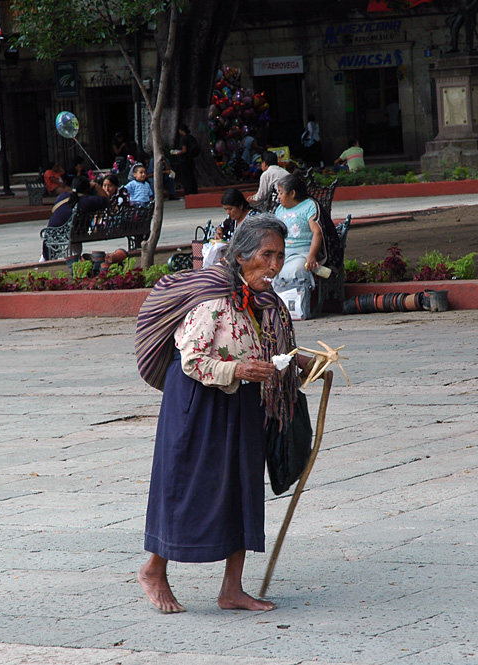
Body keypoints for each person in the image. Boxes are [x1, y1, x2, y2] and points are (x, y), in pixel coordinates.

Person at [134, 214, 312, 614]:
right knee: (189, 489)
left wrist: (297, 360)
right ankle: (154, 570)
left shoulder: (263, 301)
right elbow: (191, 360)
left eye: (280, 257)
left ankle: (232, 589)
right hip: (199, 406)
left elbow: (260, 344)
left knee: (243, 490)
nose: (274, 266)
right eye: (266, 255)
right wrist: (239, 369)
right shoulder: (214, 298)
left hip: (242, 403)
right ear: (243, 255)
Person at [272, 173, 323, 307]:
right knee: (271, 270)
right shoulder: (279, 209)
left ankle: (296, 308)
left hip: (303, 252)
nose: (278, 197)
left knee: (296, 269)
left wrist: (312, 256)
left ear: (292, 193)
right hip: (283, 253)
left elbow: (317, 232)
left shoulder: (309, 206)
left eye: (281, 193)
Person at [203, 188, 257, 267]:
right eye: (226, 209)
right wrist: (219, 231)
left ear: (241, 206)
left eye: (230, 209)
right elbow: (221, 227)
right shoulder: (231, 218)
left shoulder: (254, 218)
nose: (228, 212)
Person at [67, 177, 113, 257]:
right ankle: (76, 257)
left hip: (58, 231)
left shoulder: (64, 197)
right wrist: (96, 186)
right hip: (78, 232)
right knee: (76, 235)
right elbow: (106, 200)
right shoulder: (89, 200)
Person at [172, 124, 199, 196]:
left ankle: (188, 192)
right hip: (191, 159)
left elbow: (184, 150)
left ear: (181, 130)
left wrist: (178, 153)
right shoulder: (191, 137)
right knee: (192, 175)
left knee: (186, 177)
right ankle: (194, 191)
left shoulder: (183, 138)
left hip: (184, 160)